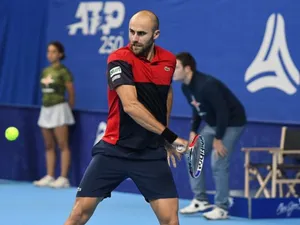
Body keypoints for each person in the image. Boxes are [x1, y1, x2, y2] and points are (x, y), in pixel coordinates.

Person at [63, 10, 187, 225]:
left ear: (155, 34)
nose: (134, 39)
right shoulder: (119, 59)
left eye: (141, 34)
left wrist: (163, 136)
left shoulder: (168, 60)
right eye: (131, 32)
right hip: (114, 149)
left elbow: (166, 92)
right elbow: (130, 106)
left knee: (171, 220)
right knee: (79, 213)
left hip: (149, 152)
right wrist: (171, 135)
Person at [173, 52, 246, 220]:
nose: (172, 71)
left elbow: (223, 111)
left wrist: (219, 139)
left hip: (232, 122)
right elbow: (197, 108)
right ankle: (200, 200)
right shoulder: (186, 87)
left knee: (218, 160)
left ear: (187, 69)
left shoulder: (207, 85)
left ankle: (221, 207)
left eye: (176, 67)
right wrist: (193, 130)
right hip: (213, 123)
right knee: (192, 153)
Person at [33, 41, 75, 188]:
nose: (50, 54)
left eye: (54, 51)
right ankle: (50, 175)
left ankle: (63, 178)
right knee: (48, 145)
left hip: (59, 109)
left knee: (62, 144)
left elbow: (71, 92)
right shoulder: (45, 71)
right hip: (46, 109)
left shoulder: (64, 71)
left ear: (60, 54)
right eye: (48, 51)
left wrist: (68, 108)